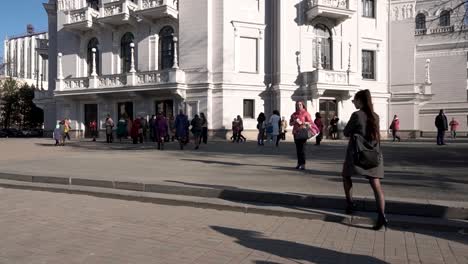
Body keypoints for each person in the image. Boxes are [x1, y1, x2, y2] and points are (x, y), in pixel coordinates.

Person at [342, 89, 387, 231]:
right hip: (373, 154)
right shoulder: (375, 116)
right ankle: (382, 216)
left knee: (346, 176)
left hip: (357, 153)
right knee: (376, 184)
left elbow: (346, 132)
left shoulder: (357, 115)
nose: (354, 102)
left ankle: (350, 204)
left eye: (354, 100)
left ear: (360, 101)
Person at [289, 101, 313, 170]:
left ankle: (303, 164)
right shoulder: (294, 114)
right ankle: (299, 163)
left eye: (300, 104)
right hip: (296, 133)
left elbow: (310, 122)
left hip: (303, 132)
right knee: (298, 149)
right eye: (297, 105)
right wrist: (294, 122)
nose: (299, 106)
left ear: (303, 105)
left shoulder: (306, 113)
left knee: (302, 149)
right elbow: (290, 123)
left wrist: (303, 122)